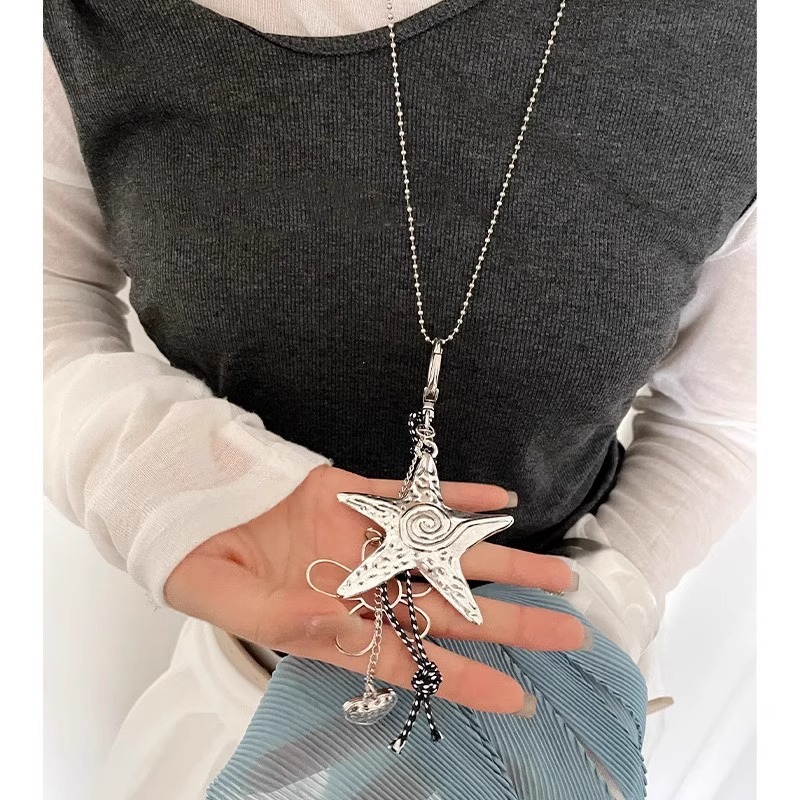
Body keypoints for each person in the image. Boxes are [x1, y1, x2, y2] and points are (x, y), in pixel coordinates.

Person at [43, 1, 756, 798]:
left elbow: (729, 415)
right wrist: (170, 483)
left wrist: (594, 607)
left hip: (547, 707)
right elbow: (41, 289)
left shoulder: (748, 45)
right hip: (244, 697)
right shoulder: (78, 26)